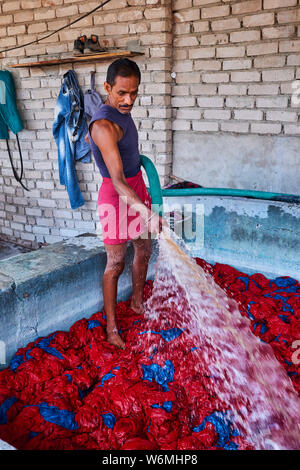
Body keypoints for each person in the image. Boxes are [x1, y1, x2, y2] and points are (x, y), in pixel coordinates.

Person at [88, 58, 167, 350]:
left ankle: (136, 303)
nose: (129, 99)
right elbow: (117, 180)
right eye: (122, 92)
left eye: (134, 93)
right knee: (116, 262)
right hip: (117, 194)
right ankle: (111, 329)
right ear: (107, 87)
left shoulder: (119, 113)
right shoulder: (104, 126)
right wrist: (148, 212)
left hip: (135, 187)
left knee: (144, 248)